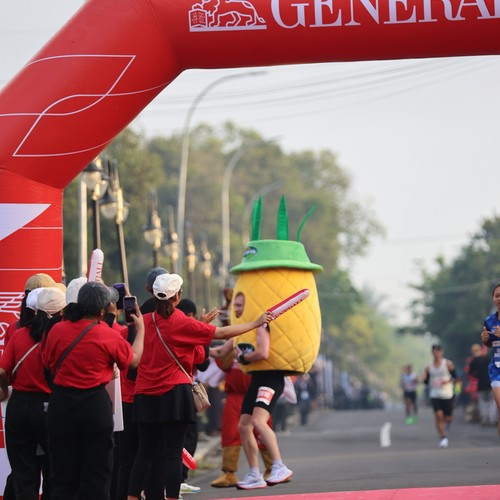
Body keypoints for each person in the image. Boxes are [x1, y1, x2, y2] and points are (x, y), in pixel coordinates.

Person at [126, 273, 274, 500]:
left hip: (145, 395)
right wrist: (256, 323)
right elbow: (222, 333)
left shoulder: (143, 321)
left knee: (144, 454)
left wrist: (200, 326)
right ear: (178, 296)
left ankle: (132, 498)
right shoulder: (183, 322)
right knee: (173, 454)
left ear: (154, 296)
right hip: (175, 395)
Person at [42, 281, 145, 500]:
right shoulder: (107, 335)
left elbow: (48, 363)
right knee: (97, 476)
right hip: (94, 408)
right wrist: (142, 330)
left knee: (62, 477)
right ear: (103, 310)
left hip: (61, 406)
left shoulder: (57, 330)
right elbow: (133, 360)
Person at [0, 286, 66, 500]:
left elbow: (2, 370)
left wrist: (3, 390)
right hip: (51, 408)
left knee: (23, 478)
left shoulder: (19, 335)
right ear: (61, 312)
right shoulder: (60, 337)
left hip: (19, 407)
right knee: (55, 475)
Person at [235, 321, 293, 490]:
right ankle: (254, 474)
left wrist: (243, 358)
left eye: (239, 307)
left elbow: (263, 352)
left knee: (258, 421)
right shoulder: (243, 329)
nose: (236, 310)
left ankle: (279, 466)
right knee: (244, 426)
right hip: (257, 379)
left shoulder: (260, 325)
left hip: (271, 379)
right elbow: (222, 351)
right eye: (235, 308)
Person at [422, 344, 456, 448]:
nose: (436, 353)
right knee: (438, 415)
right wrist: (424, 378)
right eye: (434, 351)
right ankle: (443, 437)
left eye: (438, 351)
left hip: (447, 394)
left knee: (448, 418)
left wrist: (448, 381)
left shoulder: (448, 364)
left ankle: (446, 423)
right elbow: (426, 382)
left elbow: (455, 377)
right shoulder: (429, 367)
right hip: (435, 393)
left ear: (441, 352)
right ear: (432, 353)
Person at [480, 281, 500, 435]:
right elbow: (489, 344)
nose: (499, 298)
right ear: (493, 299)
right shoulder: (489, 321)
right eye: (497, 295)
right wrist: (485, 340)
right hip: (497, 369)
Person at [469, 343, 497, 426]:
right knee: (492, 402)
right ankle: (492, 419)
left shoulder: (475, 361)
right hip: (491, 383)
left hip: (481, 384)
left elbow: (471, 372)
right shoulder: (490, 359)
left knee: (483, 403)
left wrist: (477, 376)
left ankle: (484, 419)